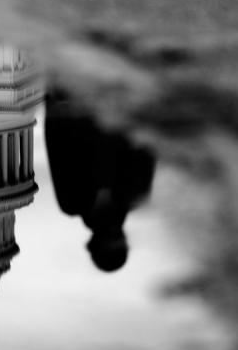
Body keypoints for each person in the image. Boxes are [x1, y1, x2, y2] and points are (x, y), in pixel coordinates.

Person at [44, 88, 156, 272]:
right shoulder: (136, 196)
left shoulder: (72, 203)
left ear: (94, 243)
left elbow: (57, 152)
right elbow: (148, 143)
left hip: (73, 101)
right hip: (120, 96)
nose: (113, 235)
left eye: (108, 242)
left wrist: (53, 105)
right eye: (118, 241)